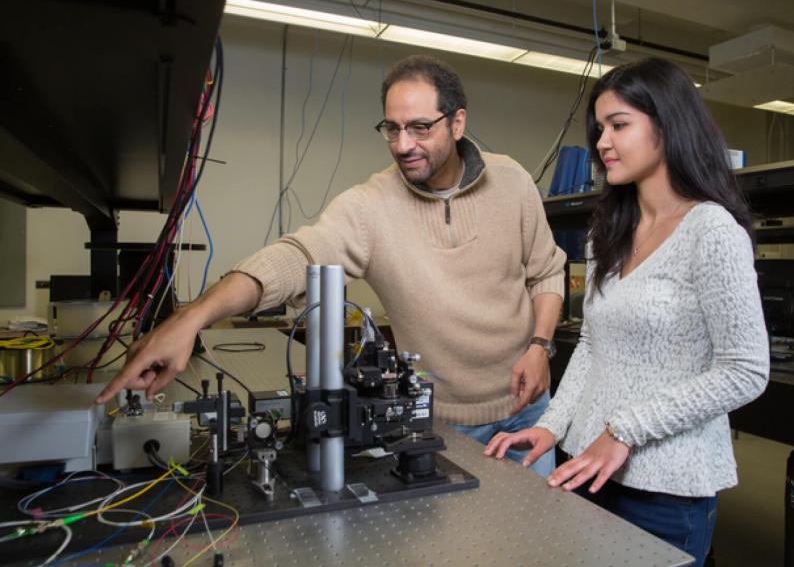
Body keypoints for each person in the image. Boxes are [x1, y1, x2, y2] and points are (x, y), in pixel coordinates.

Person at [96, 55, 565, 477]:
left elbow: (546, 272)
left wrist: (540, 346)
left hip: (527, 412)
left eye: (420, 127)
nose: (403, 145)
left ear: (457, 123)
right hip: (440, 423)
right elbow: (294, 257)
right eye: (391, 128)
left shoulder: (513, 181)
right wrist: (193, 317)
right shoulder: (370, 207)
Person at [484, 57, 769, 564]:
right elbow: (594, 345)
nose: (602, 143)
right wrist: (553, 425)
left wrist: (624, 431)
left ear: (668, 125)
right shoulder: (608, 231)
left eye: (619, 125)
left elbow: (745, 370)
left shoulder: (711, 231)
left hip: (668, 490)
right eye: (600, 129)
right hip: (590, 468)